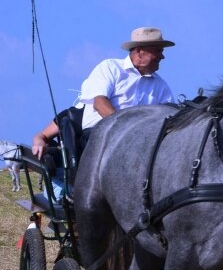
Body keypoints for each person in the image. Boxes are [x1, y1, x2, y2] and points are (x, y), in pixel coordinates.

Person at [31, 27, 176, 199]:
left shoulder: (160, 86)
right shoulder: (110, 68)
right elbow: (100, 102)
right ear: (139, 51)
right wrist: (126, 130)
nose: (162, 56)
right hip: (100, 138)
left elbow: (170, 115)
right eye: (158, 51)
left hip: (139, 144)